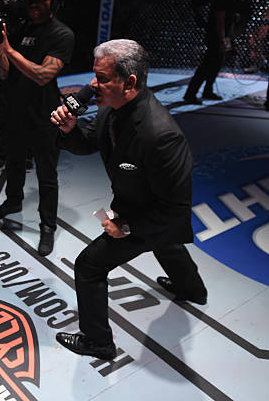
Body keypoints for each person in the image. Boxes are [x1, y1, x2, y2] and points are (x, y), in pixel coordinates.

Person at [50, 39, 208, 360]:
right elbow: (87, 143)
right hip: (139, 205)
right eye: (94, 76)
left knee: (89, 266)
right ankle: (193, 289)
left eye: (102, 78)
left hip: (149, 216)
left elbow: (175, 210)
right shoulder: (112, 108)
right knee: (167, 244)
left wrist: (126, 226)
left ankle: (98, 342)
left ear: (129, 82)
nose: (93, 85)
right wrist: (69, 129)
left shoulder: (161, 135)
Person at [0, 0, 74, 256]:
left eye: (40, 0)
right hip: (16, 111)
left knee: (47, 175)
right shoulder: (20, 28)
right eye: (31, 1)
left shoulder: (62, 34)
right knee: (14, 163)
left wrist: (10, 50)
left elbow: (43, 75)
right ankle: (13, 201)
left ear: (53, 2)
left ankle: (47, 226)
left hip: (45, 115)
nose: (34, 6)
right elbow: (4, 71)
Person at [183, 0, 236, 104]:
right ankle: (190, 94)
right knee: (207, 65)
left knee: (215, 65)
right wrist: (222, 40)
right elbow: (219, 20)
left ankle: (207, 90)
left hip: (220, 37)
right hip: (215, 38)